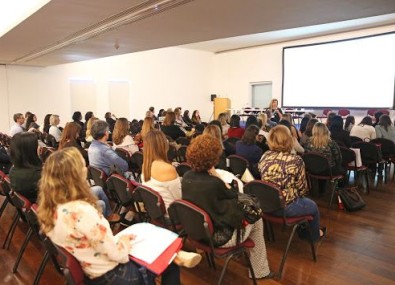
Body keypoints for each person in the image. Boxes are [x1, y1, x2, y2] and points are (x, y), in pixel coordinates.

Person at [37, 148, 183, 285]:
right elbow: (119, 255)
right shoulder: (82, 211)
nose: (86, 168)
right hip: (113, 276)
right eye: (83, 165)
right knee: (170, 262)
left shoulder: (49, 209)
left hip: (91, 272)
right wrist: (124, 242)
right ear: (74, 175)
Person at [182, 134, 273, 279]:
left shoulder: (186, 177)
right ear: (213, 158)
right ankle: (260, 271)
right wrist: (217, 176)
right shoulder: (214, 183)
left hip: (197, 232)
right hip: (219, 238)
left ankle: (257, 267)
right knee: (257, 219)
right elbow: (234, 194)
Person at [258, 125, 326, 243]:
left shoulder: (264, 156)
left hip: (266, 205)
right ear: (289, 140)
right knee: (313, 207)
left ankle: (302, 227)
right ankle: (314, 236)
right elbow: (303, 189)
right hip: (285, 208)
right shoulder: (296, 160)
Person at [141, 130, 182, 211]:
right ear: (163, 145)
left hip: (155, 211)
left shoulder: (145, 165)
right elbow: (180, 198)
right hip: (172, 214)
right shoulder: (168, 169)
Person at [9, 132, 42, 203]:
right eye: (37, 145)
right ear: (30, 150)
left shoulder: (13, 170)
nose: (39, 147)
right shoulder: (37, 176)